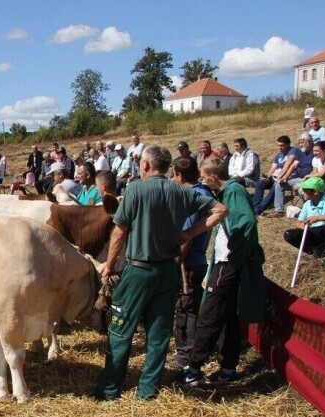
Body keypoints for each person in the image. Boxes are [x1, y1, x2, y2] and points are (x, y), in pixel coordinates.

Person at [94, 146, 227, 401]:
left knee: (121, 328)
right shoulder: (182, 192)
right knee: (159, 332)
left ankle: (110, 389)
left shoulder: (134, 190)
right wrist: (189, 233)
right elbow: (221, 210)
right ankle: (148, 391)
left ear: (145, 165)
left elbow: (120, 232)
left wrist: (109, 265)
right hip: (168, 270)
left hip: (138, 270)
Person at [178, 157, 266, 387]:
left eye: (204, 175)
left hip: (228, 264)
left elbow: (246, 222)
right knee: (227, 316)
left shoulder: (234, 190)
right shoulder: (225, 194)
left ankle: (193, 369)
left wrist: (234, 256)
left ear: (214, 176)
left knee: (209, 315)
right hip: (224, 263)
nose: (202, 179)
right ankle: (228, 368)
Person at [170, 157, 214, 370]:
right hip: (198, 258)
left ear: (179, 175)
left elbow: (186, 236)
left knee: (185, 307)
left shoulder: (192, 196)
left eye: (173, 174)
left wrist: (177, 261)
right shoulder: (205, 193)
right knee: (192, 306)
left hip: (188, 262)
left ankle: (185, 355)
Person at [283, 177, 325, 269]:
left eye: (305, 190)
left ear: (315, 192)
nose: (302, 192)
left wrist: (318, 218)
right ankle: (319, 252)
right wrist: (302, 226)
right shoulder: (307, 204)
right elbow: (298, 223)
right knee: (289, 234)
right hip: (315, 232)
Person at [254, 136, 300, 217]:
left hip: (287, 177)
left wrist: (280, 177)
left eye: (282, 145)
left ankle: (258, 209)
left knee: (275, 187)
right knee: (260, 183)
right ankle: (255, 206)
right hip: (276, 177)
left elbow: (289, 163)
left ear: (288, 144)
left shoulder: (293, 151)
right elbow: (273, 168)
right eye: (278, 145)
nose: (280, 147)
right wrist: (267, 176)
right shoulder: (278, 155)